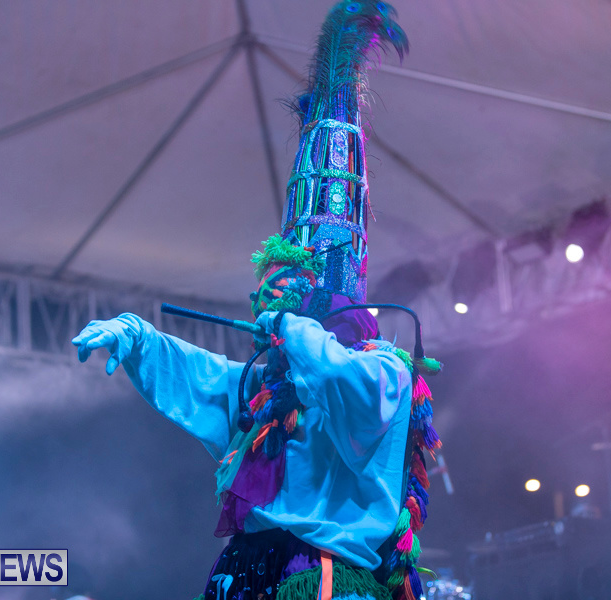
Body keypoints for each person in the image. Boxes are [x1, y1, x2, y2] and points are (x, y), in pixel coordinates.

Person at [73, 4, 439, 600]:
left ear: (319, 296)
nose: (266, 301)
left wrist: (293, 328)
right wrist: (136, 338)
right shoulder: (264, 385)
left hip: (320, 573)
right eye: (263, 291)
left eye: (284, 287)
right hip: (245, 568)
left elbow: (343, 385)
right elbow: (201, 377)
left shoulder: (382, 370)